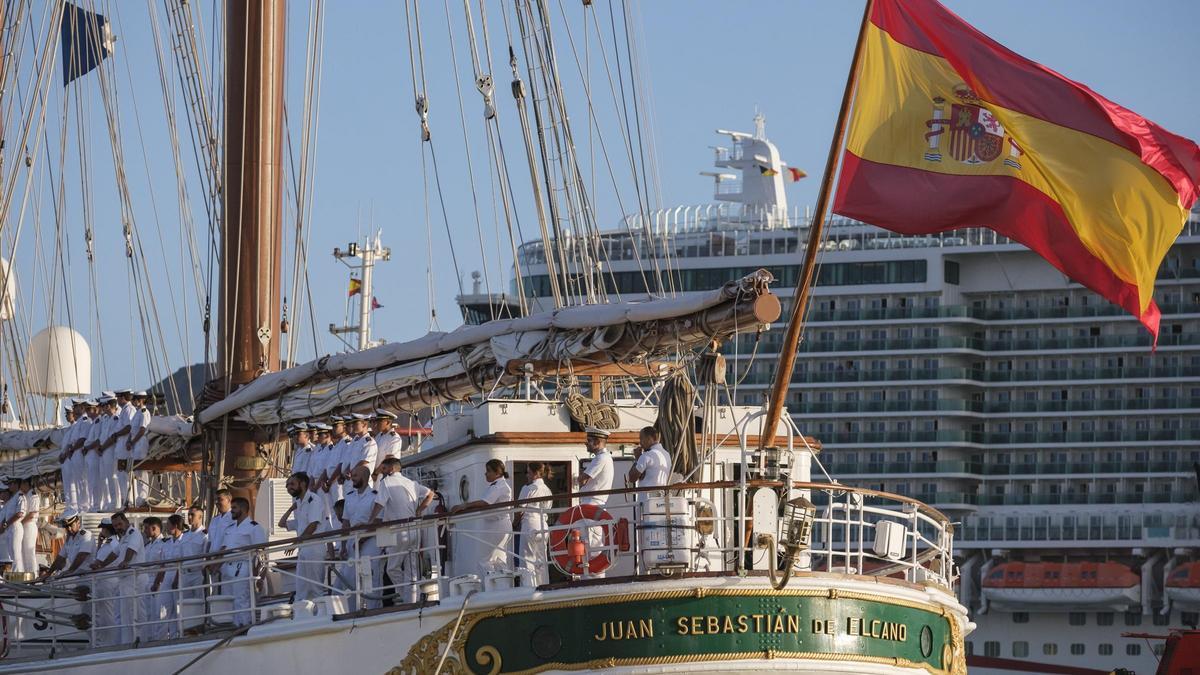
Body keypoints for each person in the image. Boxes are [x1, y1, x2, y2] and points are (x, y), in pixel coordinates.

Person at [371, 457, 433, 603]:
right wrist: (419, 510)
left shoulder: (386, 482)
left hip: (399, 530)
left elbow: (379, 504)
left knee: (392, 568)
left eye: (384, 469)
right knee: (412, 569)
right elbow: (430, 493)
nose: (382, 472)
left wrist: (370, 520)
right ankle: (413, 598)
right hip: (414, 529)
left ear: (392, 469)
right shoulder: (411, 482)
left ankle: (405, 596)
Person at [210, 497, 266, 626]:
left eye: (234, 508)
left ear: (243, 509)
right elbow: (224, 549)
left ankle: (244, 626)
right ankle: (231, 626)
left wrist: (259, 576)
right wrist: (215, 565)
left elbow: (261, 552)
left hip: (243, 567)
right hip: (227, 568)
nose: (232, 511)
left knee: (241, 599)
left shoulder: (254, 528)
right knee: (228, 599)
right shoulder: (230, 528)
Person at [452, 459, 513, 573]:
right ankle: (501, 585)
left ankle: (492, 586)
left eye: (488, 471)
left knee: (485, 560)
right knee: (497, 559)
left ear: (497, 473)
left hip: (496, 526)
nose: (486, 473)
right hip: (497, 525)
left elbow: (485, 502)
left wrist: (463, 506)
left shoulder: (498, 487)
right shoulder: (498, 485)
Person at [278, 472, 329, 601]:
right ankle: (302, 616)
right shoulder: (299, 504)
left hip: (314, 548)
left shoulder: (314, 500)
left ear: (303, 484)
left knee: (315, 588)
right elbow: (281, 523)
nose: (289, 487)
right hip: (303, 549)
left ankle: (320, 617)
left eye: (292, 484)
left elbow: (313, 525)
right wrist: (291, 509)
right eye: (287, 485)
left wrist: (295, 543)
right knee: (301, 589)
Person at [340, 465, 381, 609]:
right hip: (352, 540)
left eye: (355, 475)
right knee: (350, 576)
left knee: (370, 575)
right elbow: (345, 522)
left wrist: (363, 538)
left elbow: (377, 521)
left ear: (364, 477)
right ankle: (351, 610)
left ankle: (373, 609)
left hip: (370, 539)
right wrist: (343, 546)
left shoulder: (375, 495)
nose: (352, 478)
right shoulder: (349, 497)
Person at [577, 427, 614, 576]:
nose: (586, 444)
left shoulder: (601, 458)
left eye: (589, 441)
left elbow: (583, 478)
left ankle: (594, 580)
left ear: (598, 442)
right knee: (588, 545)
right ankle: (590, 578)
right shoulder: (602, 458)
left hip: (593, 506)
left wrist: (580, 478)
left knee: (592, 546)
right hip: (592, 505)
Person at [514, 462, 553, 586]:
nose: (527, 475)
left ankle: (528, 587)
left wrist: (514, 524)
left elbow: (520, 510)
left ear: (535, 474)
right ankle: (543, 584)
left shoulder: (528, 488)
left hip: (530, 524)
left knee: (527, 557)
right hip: (543, 525)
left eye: (528, 472)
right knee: (541, 559)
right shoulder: (547, 490)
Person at [111, 512, 145, 644]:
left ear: (125, 521)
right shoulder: (123, 537)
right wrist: (100, 564)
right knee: (125, 614)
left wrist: (125, 561)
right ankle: (127, 642)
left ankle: (140, 641)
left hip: (135, 578)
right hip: (125, 580)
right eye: (115, 526)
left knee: (135, 613)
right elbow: (115, 554)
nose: (118, 527)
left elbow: (131, 551)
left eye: (119, 524)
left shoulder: (134, 533)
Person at [152, 514, 185, 638]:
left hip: (179, 574)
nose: (166, 528)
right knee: (163, 607)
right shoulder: (166, 543)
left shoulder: (184, 541)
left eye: (168, 525)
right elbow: (163, 564)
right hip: (167, 576)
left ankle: (177, 636)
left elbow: (181, 562)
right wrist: (157, 582)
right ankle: (161, 637)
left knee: (177, 609)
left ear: (175, 526)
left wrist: (177, 579)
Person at [89, 520, 122, 646]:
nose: (101, 531)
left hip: (107, 581)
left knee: (107, 615)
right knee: (102, 614)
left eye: (102, 529)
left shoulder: (113, 544)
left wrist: (96, 565)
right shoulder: (107, 544)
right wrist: (99, 543)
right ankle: (104, 641)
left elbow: (98, 563)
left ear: (106, 529)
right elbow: (98, 557)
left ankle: (110, 643)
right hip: (102, 581)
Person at [40, 508, 94, 579]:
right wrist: (49, 573)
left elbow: (82, 555)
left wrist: (70, 571)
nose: (69, 529)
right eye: (66, 527)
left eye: (71, 526)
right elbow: (60, 558)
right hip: (75, 574)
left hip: (86, 575)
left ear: (78, 523)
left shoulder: (86, 535)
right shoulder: (69, 539)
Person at [139, 517, 166, 641]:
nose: (144, 531)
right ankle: (150, 638)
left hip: (157, 581)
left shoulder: (164, 544)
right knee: (148, 613)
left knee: (158, 613)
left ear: (154, 528)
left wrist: (158, 582)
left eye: (146, 528)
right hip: (146, 580)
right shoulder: (148, 545)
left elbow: (163, 564)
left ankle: (159, 639)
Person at [627, 426, 672, 498]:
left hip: (647, 501)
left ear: (649, 439)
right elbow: (645, 475)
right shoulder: (667, 455)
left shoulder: (647, 456)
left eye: (641, 439)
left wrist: (637, 458)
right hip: (661, 499)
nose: (640, 443)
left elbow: (632, 478)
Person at [177, 506, 208, 600]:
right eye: (188, 514)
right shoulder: (184, 535)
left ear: (200, 517)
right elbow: (181, 556)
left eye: (192, 515)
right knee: (185, 604)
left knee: (199, 603)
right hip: (184, 575)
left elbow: (206, 557)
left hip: (197, 574)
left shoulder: (205, 535)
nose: (189, 517)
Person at [127, 392, 153, 506]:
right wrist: (129, 441)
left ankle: (143, 497)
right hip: (135, 444)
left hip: (141, 442)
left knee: (141, 470)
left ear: (141, 400)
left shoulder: (144, 412)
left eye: (135, 399)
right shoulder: (137, 413)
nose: (133, 401)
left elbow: (142, 430)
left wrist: (132, 441)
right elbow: (132, 430)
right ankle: (139, 498)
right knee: (137, 471)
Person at [0, 478, 28, 574]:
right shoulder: (13, 499)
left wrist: (6, 524)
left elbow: (20, 513)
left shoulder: (20, 496)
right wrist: (4, 525)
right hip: (9, 528)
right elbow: (6, 516)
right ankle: (15, 576)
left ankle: (18, 576)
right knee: (12, 556)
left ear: (16, 484)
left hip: (15, 527)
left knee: (16, 555)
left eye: (10, 484)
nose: (9, 486)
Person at [20, 477, 40, 574]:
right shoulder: (25, 495)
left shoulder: (33, 495)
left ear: (26, 483)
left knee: (29, 551)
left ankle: (33, 575)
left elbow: (32, 514)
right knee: (23, 552)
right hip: (24, 525)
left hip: (29, 525)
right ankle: (26, 575)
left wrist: (19, 522)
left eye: (21, 484)